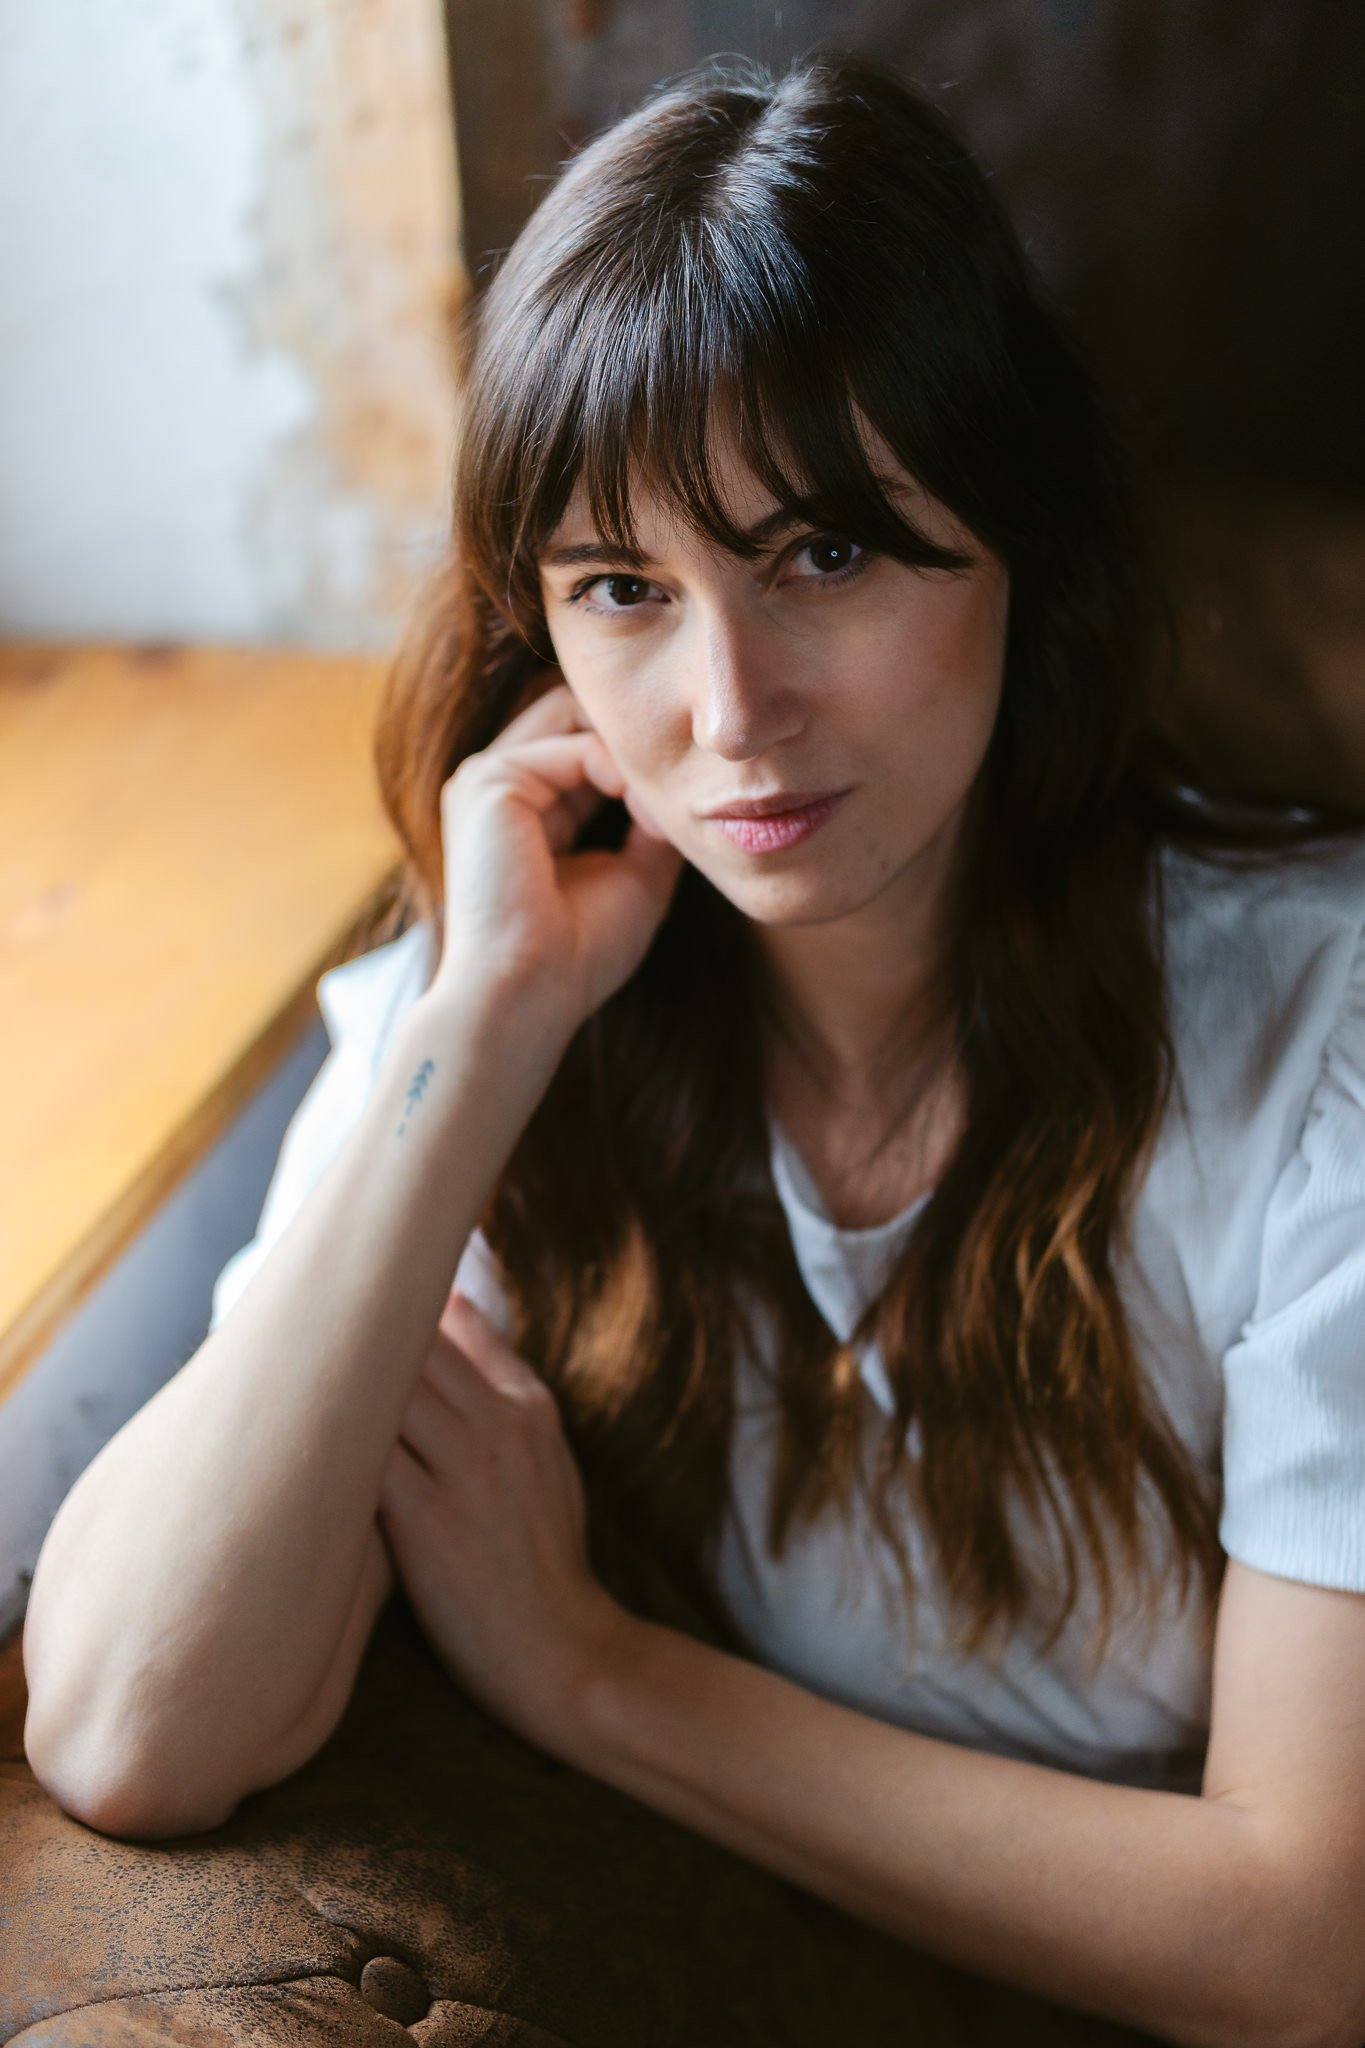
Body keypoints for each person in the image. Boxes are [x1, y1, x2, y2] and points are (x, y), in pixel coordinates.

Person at [21, 47, 1365, 2046]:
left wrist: (586, 1673)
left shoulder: (1312, 1048)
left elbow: (1296, 1941)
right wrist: (474, 1032)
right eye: (624, 589)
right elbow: (131, 1728)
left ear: (1015, 538)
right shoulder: (505, 1003)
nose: (728, 709)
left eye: (820, 553)